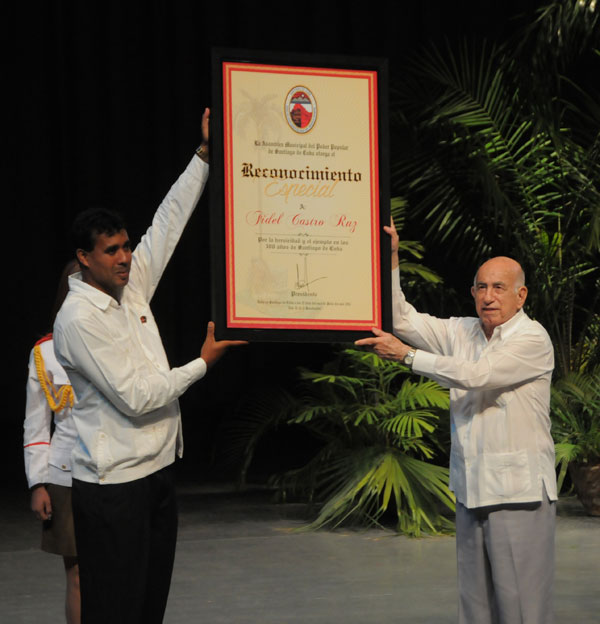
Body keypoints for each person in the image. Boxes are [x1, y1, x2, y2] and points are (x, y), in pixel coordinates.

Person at [53, 108, 245, 624]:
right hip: (116, 488)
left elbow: (167, 225)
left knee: (148, 607)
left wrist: (204, 154)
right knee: (116, 610)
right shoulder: (78, 319)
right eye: (112, 250)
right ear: (84, 258)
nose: (125, 257)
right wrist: (201, 365)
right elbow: (136, 396)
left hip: (157, 473)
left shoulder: (127, 282)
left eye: (126, 246)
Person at [356, 221, 557, 624]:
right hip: (471, 487)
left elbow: (479, 375)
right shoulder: (462, 331)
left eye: (499, 288)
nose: (488, 296)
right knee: (475, 607)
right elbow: (401, 319)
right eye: (481, 287)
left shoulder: (532, 339)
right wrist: (391, 257)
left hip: (517, 492)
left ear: (521, 295)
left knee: (519, 609)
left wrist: (408, 358)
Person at [24, 261, 81, 624]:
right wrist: (38, 483)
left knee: (119, 570)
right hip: (66, 475)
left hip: (117, 471)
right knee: (76, 574)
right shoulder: (45, 352)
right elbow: (36, 424)